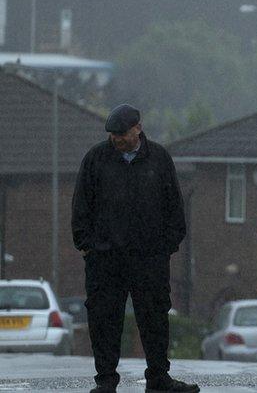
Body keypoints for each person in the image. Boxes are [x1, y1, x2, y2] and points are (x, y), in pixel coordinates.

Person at [71, 104, 199, 393]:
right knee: (104, 320)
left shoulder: (159, 159)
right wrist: (87, 247)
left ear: (138, 128)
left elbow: (174, 207)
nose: (117, 139)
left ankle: (158, 377)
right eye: (113, 134)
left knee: (154, 318)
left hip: (149, 258)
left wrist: (166, 246)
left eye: (122, 133)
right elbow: (81, 206)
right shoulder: (96, 159)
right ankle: (105, 380)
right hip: (105, 259)